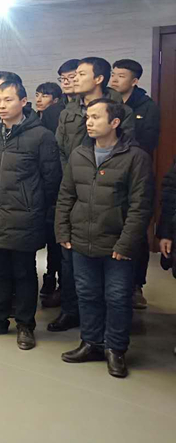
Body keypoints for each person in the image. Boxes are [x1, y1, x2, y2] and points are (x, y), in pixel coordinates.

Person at [56, 99, 153, 378]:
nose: (89, 122)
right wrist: (63, 231)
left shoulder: (135, 157)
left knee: (118, 298)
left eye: (96, 117)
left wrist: (126, 243)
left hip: (117, 244)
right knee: (87, 294)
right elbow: (66, 196)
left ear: (115, 122)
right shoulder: (79, 154)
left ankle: (115, 349)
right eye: (88, 117)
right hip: (81, 240)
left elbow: (140, 206)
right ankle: (91, 343)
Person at [0, 81, 61, 350]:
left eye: (8, 100)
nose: (1, 105)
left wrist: (32, 205)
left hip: (25, 215)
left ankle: (25, 324)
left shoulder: (41, 136)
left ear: (23, 102)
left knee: (23, 272)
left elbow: (51, 180)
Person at [52, 56, 134, 332]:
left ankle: (110, 332)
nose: (74, 79)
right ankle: (71, 312)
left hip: (108, 196)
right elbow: (60, 149)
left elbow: (126, 151)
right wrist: (72, 175)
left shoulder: (120, 110)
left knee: (112, 279)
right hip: (73, 189)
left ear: (98, 79)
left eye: (80, 74)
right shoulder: (68, 111)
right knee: (70, 261)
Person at [111, 58, 161, 308]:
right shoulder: (107, 103)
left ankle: (136, 286)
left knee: (136, 231)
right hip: (109, 175)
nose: (114, 80)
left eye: (121, 76)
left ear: (134, 81)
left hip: (135, 173)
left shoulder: (147, 107)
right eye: (113, 74)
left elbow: (148, 142)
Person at [35, 81, 64, 302]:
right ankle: (49, 276)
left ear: (55, 99)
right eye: (38, 94)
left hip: (55, 185)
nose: (39, 99)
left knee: (55, 239)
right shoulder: (34, 118)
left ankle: (52, 276)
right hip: (36, 187)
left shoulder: (56, 116)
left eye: (44, 95)